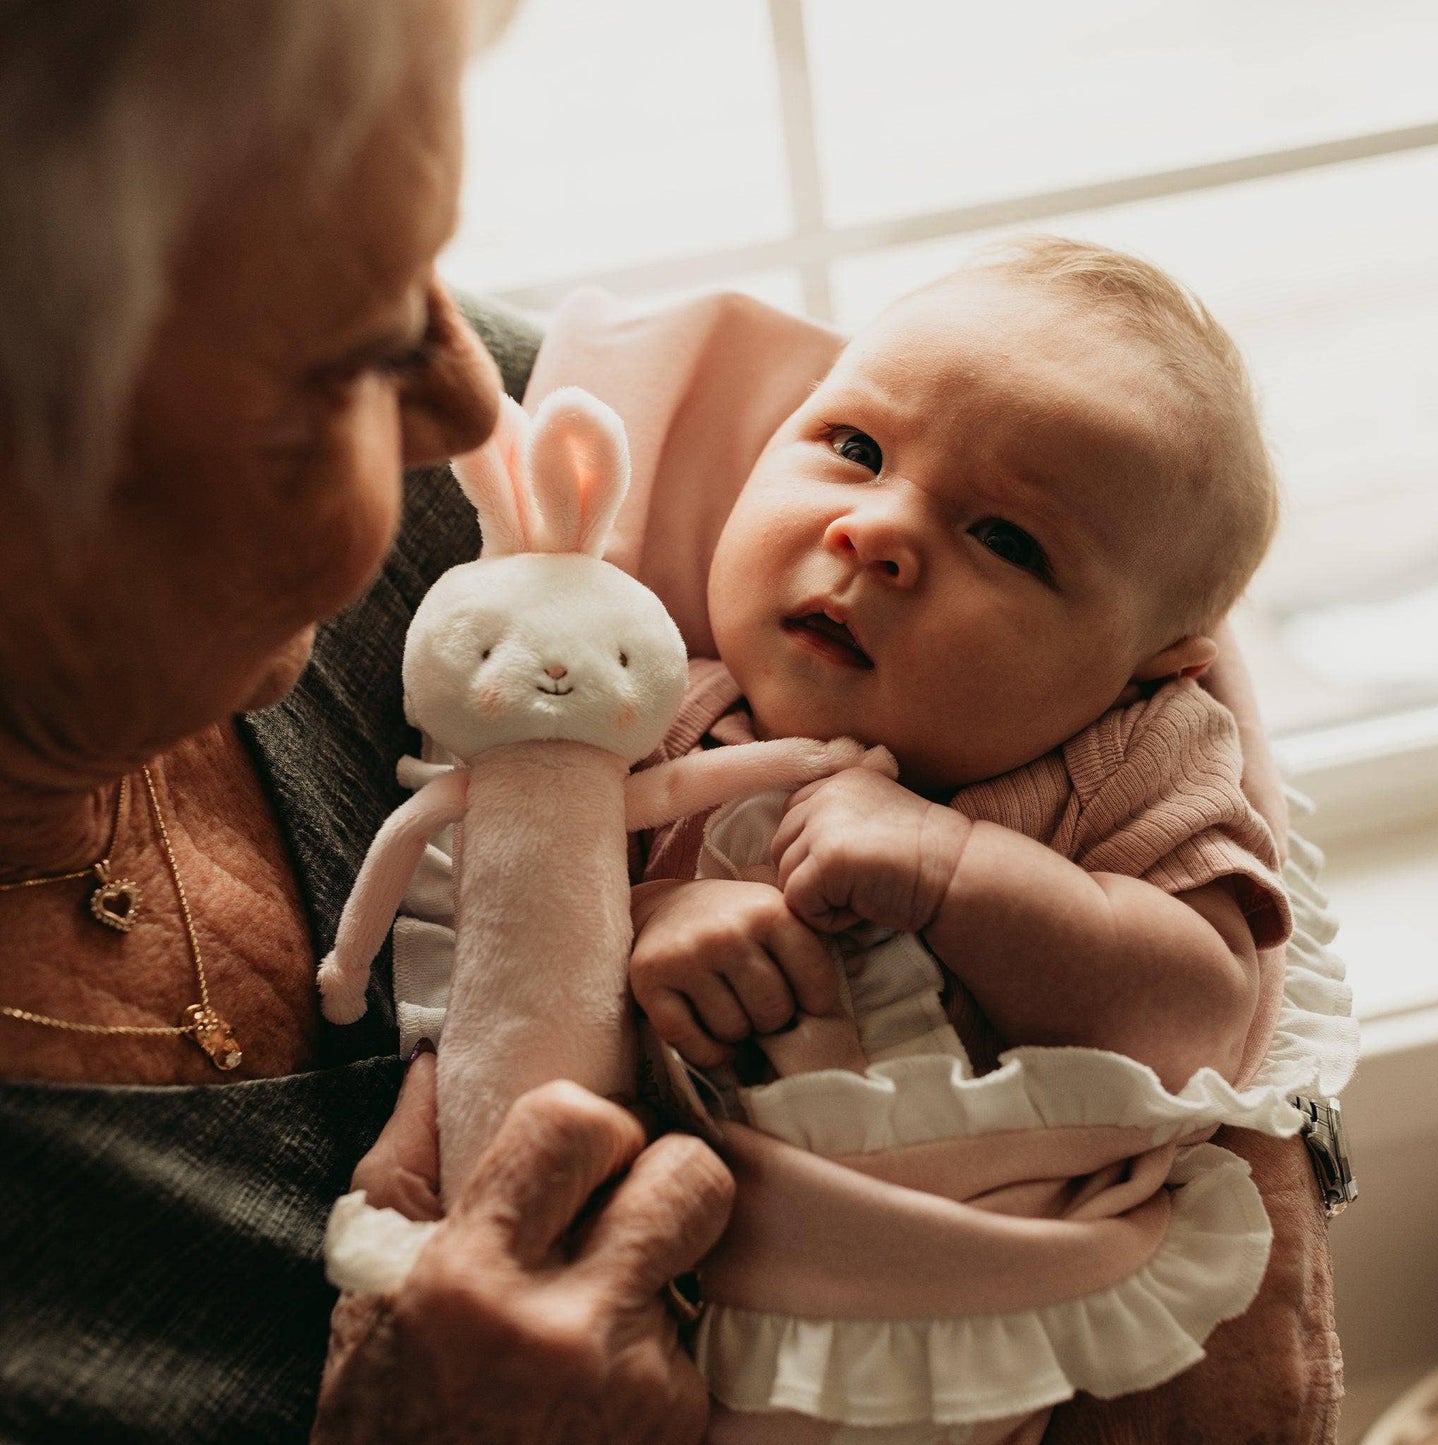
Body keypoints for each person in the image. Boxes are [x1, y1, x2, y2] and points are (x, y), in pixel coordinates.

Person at [0, 4, 1341, 1444]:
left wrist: (1233, 1152)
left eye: (427, 272)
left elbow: (1144, 581)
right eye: (348, 346)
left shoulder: (584, 470)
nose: (469, 397)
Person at [618, 242, 1340, 1438]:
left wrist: (957, 872)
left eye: (1007, 540)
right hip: (713, 1314)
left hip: (1001, 1333)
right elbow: (513, 956)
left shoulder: (1128, 760)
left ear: (1154, 663)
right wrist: (660, 921)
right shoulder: (654, 709)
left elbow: (1199, 1016)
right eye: (853, 448)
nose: (876, 530)